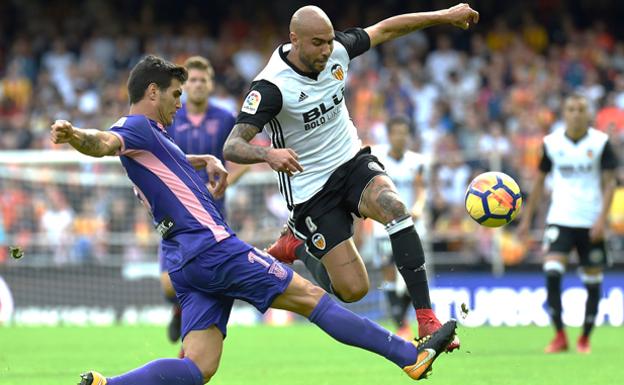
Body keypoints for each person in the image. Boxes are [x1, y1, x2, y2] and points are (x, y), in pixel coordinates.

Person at [50, 55, 457, 385]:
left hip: (184, 261)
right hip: (212, 249)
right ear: (152, 91)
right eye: (175, 93)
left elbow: (161, 163)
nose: (180, 101)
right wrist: (74, 136)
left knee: (199, 367)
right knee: (312, 299)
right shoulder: (136, 127)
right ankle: (410, 355)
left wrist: (201, 159)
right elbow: (105, 141)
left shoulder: (155, 138)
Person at [223, 3, 478, 349]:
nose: (327, 50)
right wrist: (268, 153)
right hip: (312, 191)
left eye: (329, 41)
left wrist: (444, 16)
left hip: (352, 161)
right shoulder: (271, 87)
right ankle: (297, 245)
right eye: (318, 44)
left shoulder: (337, 51)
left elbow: (386, 29)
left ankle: (426, 319)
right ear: (294, 40)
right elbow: (233, 145)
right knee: (352, 289)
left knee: (395, 207)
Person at [518, 94, 619, 354]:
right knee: (552, 271)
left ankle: (585, 338)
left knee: (593, 281)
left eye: (581, 109)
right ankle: (560, 336)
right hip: (560, 218)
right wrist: (527, 220)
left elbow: (610, 183)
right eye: (571, 109)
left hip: (590, 221)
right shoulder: (551, 144)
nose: (576, 113)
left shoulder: (600, 143)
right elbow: (540, 181)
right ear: (564, 113)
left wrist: (602, 219)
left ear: (588, 114)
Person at [160, 55, 249, 347]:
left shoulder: (224, 119)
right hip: (174, 211)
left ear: (211, 84)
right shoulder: (173, 116)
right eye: (192, 80)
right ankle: (178, 307)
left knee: (204, 274)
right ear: (185, 87)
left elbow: (243, 158)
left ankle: (197, 333)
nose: (197, 85)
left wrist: (224, 184)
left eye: (202, 80)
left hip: (213, 212)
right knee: (167, 283)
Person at [371, 116, 429, 340]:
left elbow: (420, 189)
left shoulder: (416, 161)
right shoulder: (377, 158)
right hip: (383, 225)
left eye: (404, 132)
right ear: (389, 135)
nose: (401, 137)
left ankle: (403, 319)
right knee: (388, 272)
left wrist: (419, 206)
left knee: (408, 275)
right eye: (396, 132)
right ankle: (401, 323)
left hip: (412, 224)